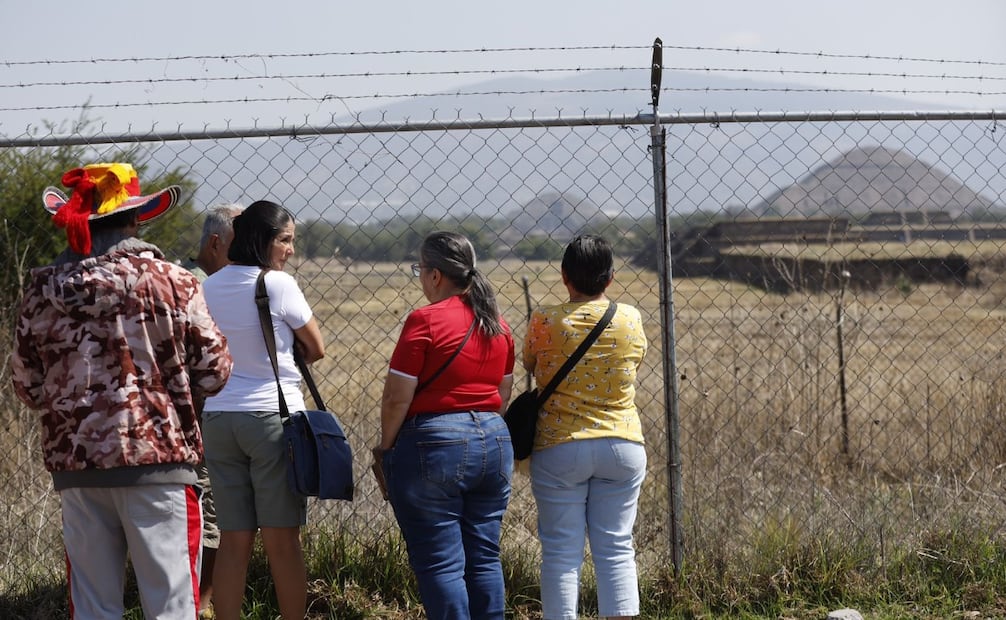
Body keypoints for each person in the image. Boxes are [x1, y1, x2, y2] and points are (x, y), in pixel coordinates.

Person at [10, 162, 233, 619]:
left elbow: (27, 386)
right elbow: (214, 371)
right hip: (162, 465)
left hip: (78, 470)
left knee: (92, 606)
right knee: (172, 603)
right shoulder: (176, 283)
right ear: (135, 219)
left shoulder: (40, 290)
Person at [377, 230, 516, 620]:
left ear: (435, 275)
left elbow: (396, 398)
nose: (420, 278)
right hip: (494, 441)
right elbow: (502, 393)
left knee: (441, 563)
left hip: (435, 445)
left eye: (419, 270)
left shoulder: (425, 320)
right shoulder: (499, 324)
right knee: (485, 557)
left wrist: (386, 449)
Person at [200, 199, 325, 620]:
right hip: (271, 420)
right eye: (285, 240)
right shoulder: (277, 285)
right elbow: (317, 347)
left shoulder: (206, 287)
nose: (290, 250)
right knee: (282, 540)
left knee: (234, 539)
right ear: (262, 239)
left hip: (218, 420)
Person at [523, 234, 648, 620]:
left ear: (564, 276)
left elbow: (529, 364)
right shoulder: (630, 318)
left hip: (560, 446)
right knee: (616, 547)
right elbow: (637, 359)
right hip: (622, 444)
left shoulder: (545, 319)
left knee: (561, 552)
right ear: (610, 278)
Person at [183, 202, 244, 619]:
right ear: (217, 243)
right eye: (243, 247)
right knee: (210, 516)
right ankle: (200, 607)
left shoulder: (206, 282)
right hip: (200, 419)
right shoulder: (195, 287)